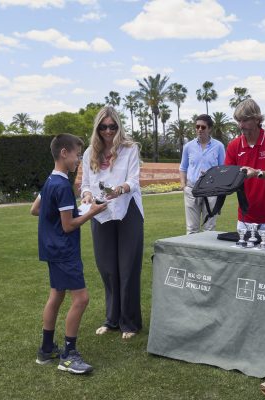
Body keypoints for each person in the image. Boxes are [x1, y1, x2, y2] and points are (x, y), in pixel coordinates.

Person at [31, 133, 107, 374]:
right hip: (64, 250)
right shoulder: (63, 185)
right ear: (64, 153)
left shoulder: (50, 181)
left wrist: (75, 209)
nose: (78, 161)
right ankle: (68, 355)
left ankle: (46, 350)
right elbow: (68, 225)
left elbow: (36, 209)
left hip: (51, 249)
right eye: (76, 155)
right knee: (81, 299)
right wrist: (92, 212)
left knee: (57, 296)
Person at [80, 106, 144, 340]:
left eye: (112, 126)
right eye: (104, 127)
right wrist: (86, 194)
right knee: (107, 268)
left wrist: (120, 189)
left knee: (128, 267)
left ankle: (130, 322)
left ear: (119, 126)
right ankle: (112, 319)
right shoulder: (89, 153)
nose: (108, 131)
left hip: (127, 210)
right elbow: (85, 183)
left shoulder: (130, 149)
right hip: (100, 212)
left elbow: (134, 181)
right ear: (97, 128)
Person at [225, 99, 265, 230]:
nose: (241, 125)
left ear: (257, 119)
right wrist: (214, 179)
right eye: (239, 121)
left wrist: (256, 173)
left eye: (245, 120)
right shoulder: (233, 145)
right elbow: (228, 181)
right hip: (245, 220)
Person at [179, 114, 226, 234]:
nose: (199, 129)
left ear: (209, 129)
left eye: (203, 127)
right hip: (191, 190)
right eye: (197, 126)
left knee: (209, 229)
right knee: (191, 229)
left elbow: (223, 170)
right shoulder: (188, 147)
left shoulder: (219, 146)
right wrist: (184, 186)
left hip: (211, 191)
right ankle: (191, 253)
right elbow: (183, 168)